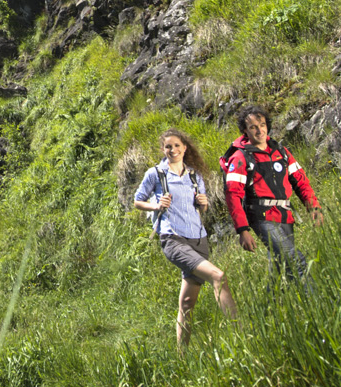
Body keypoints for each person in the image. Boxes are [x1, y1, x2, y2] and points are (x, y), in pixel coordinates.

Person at [134, 129, 238, 348]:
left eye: (176, 146)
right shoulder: (156, 174)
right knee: (218, 277)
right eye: (168, 147)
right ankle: (243, 337)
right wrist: (156, 205)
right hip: (173, 239)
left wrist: (204, 202)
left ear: (185, 148)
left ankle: (181, 359)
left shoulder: (194, 175)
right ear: (163, 150)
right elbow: (138, 200)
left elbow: (202, 207)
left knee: (187, 303)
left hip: (199, 239)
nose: (172, 150)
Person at [222, 106, 324, 286]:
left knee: (281, 271)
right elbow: (232, 196)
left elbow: (301, 182)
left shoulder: (281, 152)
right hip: (261, 218)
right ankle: (322, 304)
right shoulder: (240, 157)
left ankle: (273, 308)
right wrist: (242, 230)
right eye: (253, 127)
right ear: (245, 130)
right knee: (296, 261)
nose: (259, 130)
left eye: (262, 125)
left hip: (285, 216)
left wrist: (314, 207)